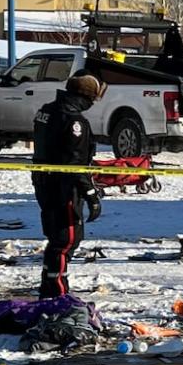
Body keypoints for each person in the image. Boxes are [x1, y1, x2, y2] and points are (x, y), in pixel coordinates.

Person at [32, 75, 106, 298]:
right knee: (66, 240)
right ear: (84, 97)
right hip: (64, 188)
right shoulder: (74, 121)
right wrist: (91, 195)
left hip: (44, 182)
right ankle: (58, 293)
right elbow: (75, 164)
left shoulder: (46, 110)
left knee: (55, 238)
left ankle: (49, 286)